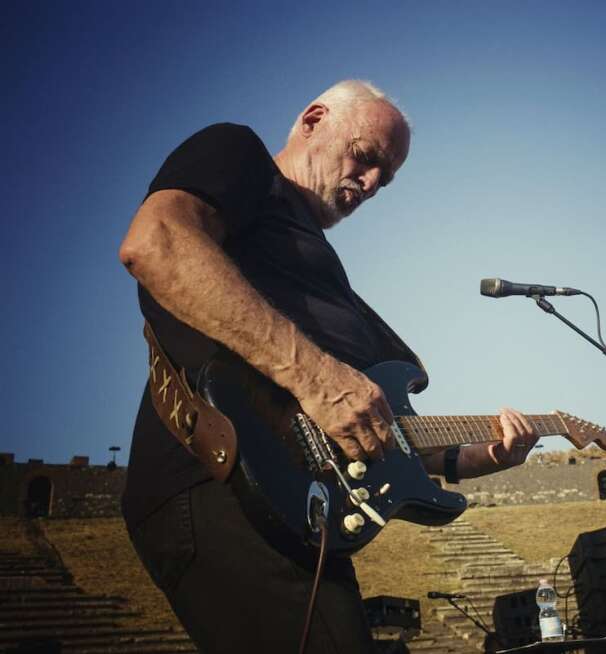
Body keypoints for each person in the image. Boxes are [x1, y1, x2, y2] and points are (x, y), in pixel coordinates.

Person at [118, 80, 539, 653]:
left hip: (290, 507)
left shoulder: (317, 273)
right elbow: (158, 242)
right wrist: (317, 377)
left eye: (383, 180)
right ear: (313, 120)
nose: (369, 185)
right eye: (365, 158)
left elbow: (382, 432)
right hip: (219, 480)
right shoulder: (238, 154)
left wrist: (487, 455)